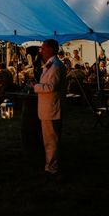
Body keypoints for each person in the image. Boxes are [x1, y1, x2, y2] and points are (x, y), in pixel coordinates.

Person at [29, 39, 66, 178]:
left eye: (43, 48)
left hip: (52, 109)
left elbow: (51, 87)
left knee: (51, 140)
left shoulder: (56, 66)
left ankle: (52, 168)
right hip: (47, 108)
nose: (41, 51)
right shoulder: (50, 64)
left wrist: (35, 87)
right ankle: (49, 165)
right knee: (49, 140)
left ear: (51, 49)